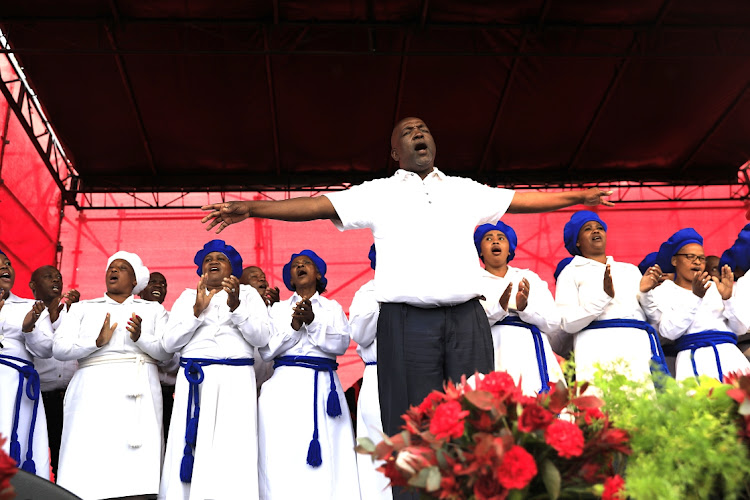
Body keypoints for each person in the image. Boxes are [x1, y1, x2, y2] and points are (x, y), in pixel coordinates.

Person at [200, 117, 613, 443]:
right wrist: (253, 209)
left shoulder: (463, 190)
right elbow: (317, 205)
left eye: (425, 130)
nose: (420, 135)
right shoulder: (378, 192)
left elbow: (521, 200)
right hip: (406, 322)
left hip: (467, 321)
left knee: (477, 424)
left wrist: (577, 198)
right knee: (414, 429)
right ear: (395, 151)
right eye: (409, 132)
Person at [53, 251, 171, 499]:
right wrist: (95, 342)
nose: (114, 271)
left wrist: (141, 339)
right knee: (88, 459)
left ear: (135, 280)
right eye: (111, 267)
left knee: (136, 471)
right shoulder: (83, 308)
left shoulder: (153, 311)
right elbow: (59, 349)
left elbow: (166, 354)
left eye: (122, 268)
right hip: (92, 391)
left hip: (139, 389)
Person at [160, 240, 270, 500]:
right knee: (192, 445)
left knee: (234, 445)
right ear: (201, 268)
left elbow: (262, 338)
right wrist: (196, 311)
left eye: (220, 258)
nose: (213, 262)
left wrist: (237, 306)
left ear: (233, 269)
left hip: (237, 379)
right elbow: (168, 343)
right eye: (208, 258)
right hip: (196, 379)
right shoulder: (188, 296)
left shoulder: (249, 295)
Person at [258, 250, 359, 500]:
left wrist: (313, 323)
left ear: (319, 275)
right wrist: (294, 328)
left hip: (322, 385)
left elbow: (341, 345)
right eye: (295, 265)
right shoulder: (278, 309)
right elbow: (267, 349)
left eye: (307, 264)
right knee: (284, 448)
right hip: (284, 385)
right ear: (291, 279)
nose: (300, 266)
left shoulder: (332, 308)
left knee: (329, 448)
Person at [555, 211, 669, 386]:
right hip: (596, 348)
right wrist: (603, 296)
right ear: (577, 241)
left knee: (639, 404)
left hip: (635, 347)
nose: (595, 231)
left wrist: (646, 292)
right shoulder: (570, 272)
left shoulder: (629, 270)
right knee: (601, 406)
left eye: (599, 228)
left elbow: (654, 317)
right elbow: (567, 323)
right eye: (587, 229)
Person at [474, 222, 565, 395]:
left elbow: (553, 322)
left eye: (501, 238)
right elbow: (467, 326)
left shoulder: (529, 277)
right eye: (488, 239)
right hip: (493, 349)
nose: (495, 242)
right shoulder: (473, 281)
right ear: (480, 251)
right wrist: (499, 309)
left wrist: (525, 309)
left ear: (509, 250)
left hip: (530, 351)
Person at [652, 229, 750, 381]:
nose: (697, 261)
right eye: (690, 256)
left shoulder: (717, 287)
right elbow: (668, 332)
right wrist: (695, 297)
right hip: (692, 361)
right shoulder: (664, 291)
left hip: (730, 357)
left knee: (742, 403)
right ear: (674, 261)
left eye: (701, 258)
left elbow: (740, 329)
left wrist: (728, 299)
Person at [0, 251, 53, 480]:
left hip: (18, 387)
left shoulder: (30, 306)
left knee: (17, 444)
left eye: (8, 263)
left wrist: (28, 328)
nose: (6, 267)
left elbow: (45, 350)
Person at [28, 265, 80, 478]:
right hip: (39, 399)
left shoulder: (73, 313)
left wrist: (72, 311)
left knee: (67, 458)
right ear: (33, 286)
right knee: (36, 455)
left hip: (69, 398)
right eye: (48, 277)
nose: (55, 280)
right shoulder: (26, 313)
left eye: (58, 276)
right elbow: (43, 348)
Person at [350, 244, 392, 500]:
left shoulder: (418, 290)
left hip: (417, 372)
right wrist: (382, 300)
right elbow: (361, 336)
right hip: (379, 374)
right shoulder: (367, 292)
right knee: (378, 448)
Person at [139, 271, 179, 441]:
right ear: (140, 289)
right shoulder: (129, 315)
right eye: (152, 282)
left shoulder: (175, 320)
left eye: (163, 284)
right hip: (138, 393)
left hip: (167, 395)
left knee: (166, 445)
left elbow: (177, 361)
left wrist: (154, 352)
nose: (158, 286)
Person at [240, 266, 279, 391]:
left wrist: (277, 307)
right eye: (254, 277)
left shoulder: (275, 309)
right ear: (242, 285)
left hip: (272, 387)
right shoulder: (238, 311)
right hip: (245, 386)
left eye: (263, 277)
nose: (261, 279)